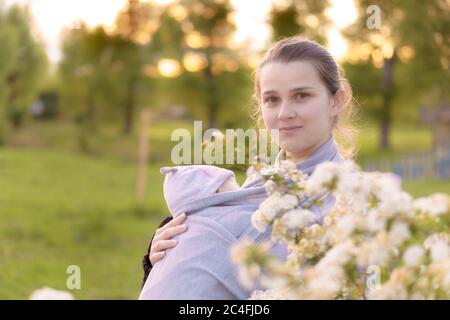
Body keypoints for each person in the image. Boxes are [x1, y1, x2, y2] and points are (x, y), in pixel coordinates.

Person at [141, 35, 358, 297]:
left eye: (301, 96)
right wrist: (162, 259)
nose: (284, 113)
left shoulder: (352, 203)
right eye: (272, 99)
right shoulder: (258, 185)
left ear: (336, 100)